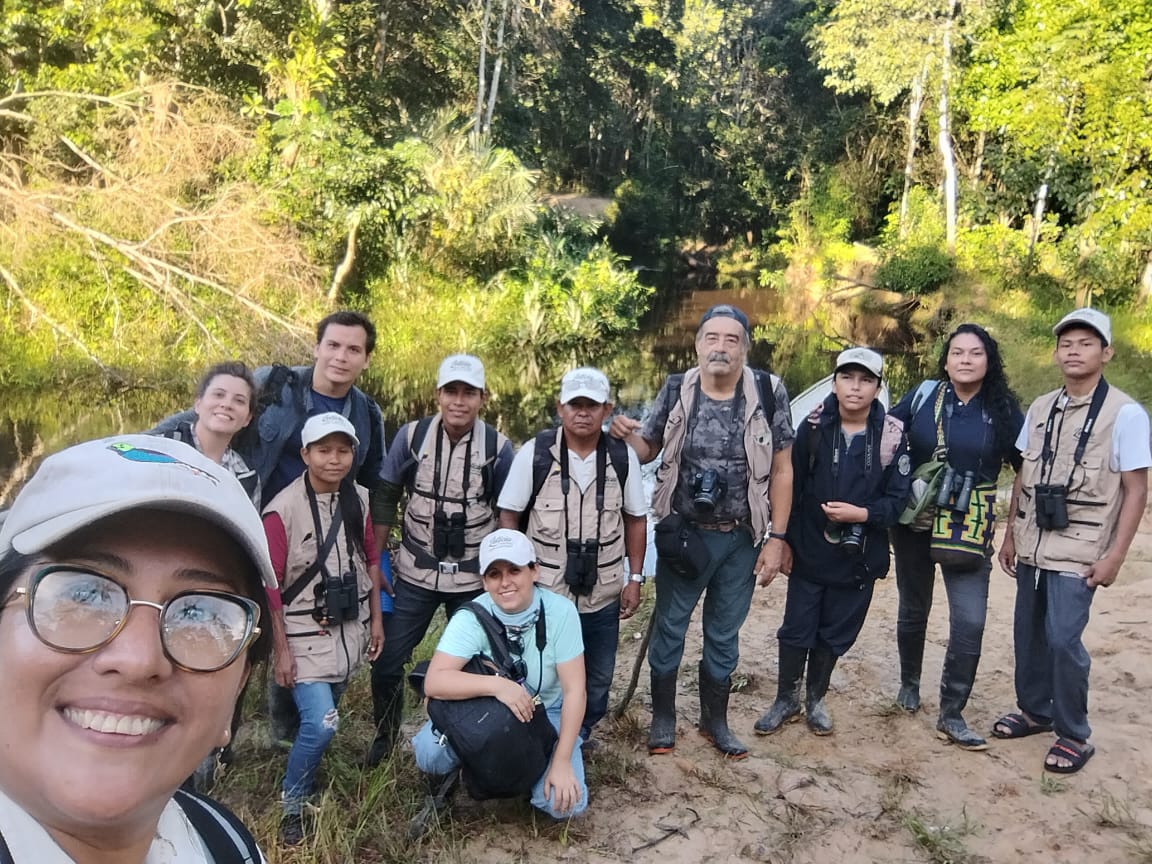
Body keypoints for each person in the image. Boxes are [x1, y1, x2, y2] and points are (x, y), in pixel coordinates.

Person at [0, 434, 273, 863]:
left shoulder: (227, 844)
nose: (139, 659)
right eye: (84, 593)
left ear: (240, 684)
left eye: (199, 613)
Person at [155, 310, 387, 745]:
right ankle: (219, 735)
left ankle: (287, 731)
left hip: (317, 541)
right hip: (254, 526)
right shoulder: (276, 384)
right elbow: (210, 413)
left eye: (353, 349)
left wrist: (377, 555)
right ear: (317, 347)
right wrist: (138, 446)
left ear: (366, 359)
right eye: (333, 345)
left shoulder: (367, 413)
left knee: (302, 631)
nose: (341, 357)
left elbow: (374, 483)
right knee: (235, 631)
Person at [609, 304, 795, 759]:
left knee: (724, 633)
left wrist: (777, 538)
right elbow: (648, 450)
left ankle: (715, 721)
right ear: (697, 345)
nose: (721, 347)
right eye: (712, 337)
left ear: (745, 348)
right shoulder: (677, 388)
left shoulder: (768, 391)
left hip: (742, 536)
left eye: (732, 339)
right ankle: (664, 719)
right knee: (670, 628)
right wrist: (623, 434)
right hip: (685, 535)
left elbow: (783, 469)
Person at [994, 308, 1150, 774]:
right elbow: (1024, 474)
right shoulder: (1042, 407)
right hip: (1033, 543)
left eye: (1086, 344)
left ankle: (1074, 733)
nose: (1074, 352)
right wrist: (1010, 535)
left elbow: (1136, 489)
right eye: (1066, 344)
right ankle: (1034, 712)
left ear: (1106, 353)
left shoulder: (1125, 414)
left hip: (1081, 548)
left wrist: (1115, 557)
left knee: (1063, 639)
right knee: (1028, 634)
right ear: (1056, 353)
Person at [365, 354, 513, 767]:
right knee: (388, 662)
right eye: (451, 391)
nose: (459, 401)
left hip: (472, 580)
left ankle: (467, 740)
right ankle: (384, 738)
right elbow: (385, 497)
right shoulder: (411, 437)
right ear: (438, 395)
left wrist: (504, 576)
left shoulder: (498, 449)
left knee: (479, 665)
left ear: (483, 397)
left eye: (469, 393)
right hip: (415, 572)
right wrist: (377, 562)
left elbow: (508, 514)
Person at [754, 348, 910, 736]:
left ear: (878, 388)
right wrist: (781, 540)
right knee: (796, 627)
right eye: (847, 378)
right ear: (835, 383)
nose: (855, 388)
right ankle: (785, 699)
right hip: (809, 549)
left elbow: (899, 500)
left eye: (866, 380)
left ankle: (815, 699)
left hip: (860, 554)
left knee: (836, 631)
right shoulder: (811, 426)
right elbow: (790, 485)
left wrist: (863, 515)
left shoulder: (893, 435)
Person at [887, 323, 1025, 750]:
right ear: (945, 361)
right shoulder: (923, 395)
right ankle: (909, 684)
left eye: (976, 353)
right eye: (957, 353)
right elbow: (884, 435)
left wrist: (1011, 532)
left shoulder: (1002, 409)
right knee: (914, 606)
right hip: (915, 518)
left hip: (971, 522)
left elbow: (1026, 469)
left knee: (970, 620)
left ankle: (952, 712)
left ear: (989, 361)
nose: (966, 360)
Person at [498, 367, 647, 745]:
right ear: (559, 407)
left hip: (604, 593)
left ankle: (581, 733)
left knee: (598, 674)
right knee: (541, 668)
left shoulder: (622, 457)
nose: (583, 412)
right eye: (574, 404)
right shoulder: (535, 454)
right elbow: (509, 514)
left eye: (592, 405)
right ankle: (539, 732)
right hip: (547, 592)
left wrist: (635, 578)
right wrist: (514, 574)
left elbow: (636, 519)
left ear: (607, 409)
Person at [410, 529, 586, 832]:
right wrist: (499, 686)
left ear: (534, 571)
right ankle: (478, 766)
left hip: (548, 709)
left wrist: (562, 760)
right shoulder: (471, 617)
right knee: (429, 755)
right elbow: (434, 682)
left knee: (563, 804)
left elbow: (574, 691)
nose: (505, 582)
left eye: (514, 570)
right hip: (486, 710)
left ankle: (536, 766)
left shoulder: (561, 612)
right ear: (484, 581)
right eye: (494, 574)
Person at [262, 412, 385, 844]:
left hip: (348, 631)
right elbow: (270, 586)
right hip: (302, 635)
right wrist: (280, 650)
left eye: (343, 450)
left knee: (321, 717)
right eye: (324, 450)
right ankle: (292, 805)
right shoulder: (282, 510)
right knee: (324, 722)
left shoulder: (358, 499)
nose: (334, 460)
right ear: (305, 454)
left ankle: (300, 763)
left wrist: (377, 620)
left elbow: (371, 558)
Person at [152, 360, 261, 507]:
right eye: (219, 394)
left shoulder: (247, 477)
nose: (227, 404)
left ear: (248, 419)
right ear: (198, 404)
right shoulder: (159, 451)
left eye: (239, 401)